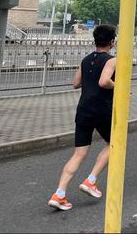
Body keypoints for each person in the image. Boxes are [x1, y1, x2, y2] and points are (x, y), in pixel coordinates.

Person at [48, 25, 117, 211]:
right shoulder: (112, 60)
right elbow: (104, 82)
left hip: (83, 109)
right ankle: (91, 180)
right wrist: (117, 86)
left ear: (95, 40)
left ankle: (59, 194)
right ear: (112, 41)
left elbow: (75, 83)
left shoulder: (85, 60)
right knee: (115, 143)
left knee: (79, 153)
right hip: (102, 110)